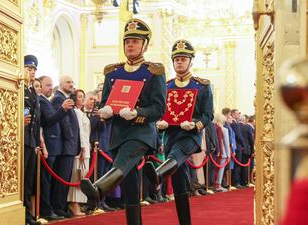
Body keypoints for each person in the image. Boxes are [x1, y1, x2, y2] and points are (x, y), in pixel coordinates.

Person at [80, 18, 166, 225]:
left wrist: (137, 113)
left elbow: (159, 109)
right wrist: (106, 111)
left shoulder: (154, 71)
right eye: (127, 41)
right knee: (129, 183)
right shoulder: (113, 72)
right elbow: (107, 103)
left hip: (141, 133)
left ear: (144, 45)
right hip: (118, 133)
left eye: (136, 41)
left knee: (123, 161)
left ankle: (99, 189)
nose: (130, 45)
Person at [144, 39, 214, 225]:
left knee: (177, 154)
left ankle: (158, 174)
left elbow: (208, 115)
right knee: (178, 182)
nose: (179, 62)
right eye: (176, 59)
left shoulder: (202, 86)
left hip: (190, 136)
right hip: (171, 136)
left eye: (183, 59)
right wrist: (159, 124)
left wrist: (194, 124)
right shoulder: (166, 86)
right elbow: (160, 111)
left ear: (191, 61)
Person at [37, 76, 73, 221]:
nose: (50, 88)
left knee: (51, 180)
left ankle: (50, 208)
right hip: (49, 146)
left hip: (55, 146)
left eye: (51, 85)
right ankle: (46, 210)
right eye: (47, 85)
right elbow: (50, 121)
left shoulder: (47, 101)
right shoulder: (42, 101)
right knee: (46, 181)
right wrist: (63, 109)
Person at [51, 75, 80, 218]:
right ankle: (58, 208)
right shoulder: (58, 98)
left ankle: (61, 206)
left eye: (72, 82)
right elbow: (64, 122)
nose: (71, 84)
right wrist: (71, 139)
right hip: (65, 145)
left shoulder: (66, 99)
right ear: (60, 84)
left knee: (66, 179)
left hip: (70, 144)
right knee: (61, 179)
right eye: (68, 82)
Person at [23, 55, 41, 225]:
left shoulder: (31, 90)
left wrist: (36, 143)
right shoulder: (19, 87)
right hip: (20, 140)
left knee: (28, 180)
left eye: (34, 69)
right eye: (29, 68)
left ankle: (27, 216)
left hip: (30, 141)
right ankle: (22, 215)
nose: (32, 71)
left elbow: (36, 119)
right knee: (22, 180)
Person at [67, 89, 90, 216]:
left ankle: (79, 203)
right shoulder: (75, 112)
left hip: (86, 147)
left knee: (83, 177)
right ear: (74, 98)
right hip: (80, 149)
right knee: (76, 176)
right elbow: (80, 131)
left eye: (83, 96)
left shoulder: (82, 112)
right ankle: (73, 203)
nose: (82, 99)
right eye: (79, 97)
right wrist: (82, 147)